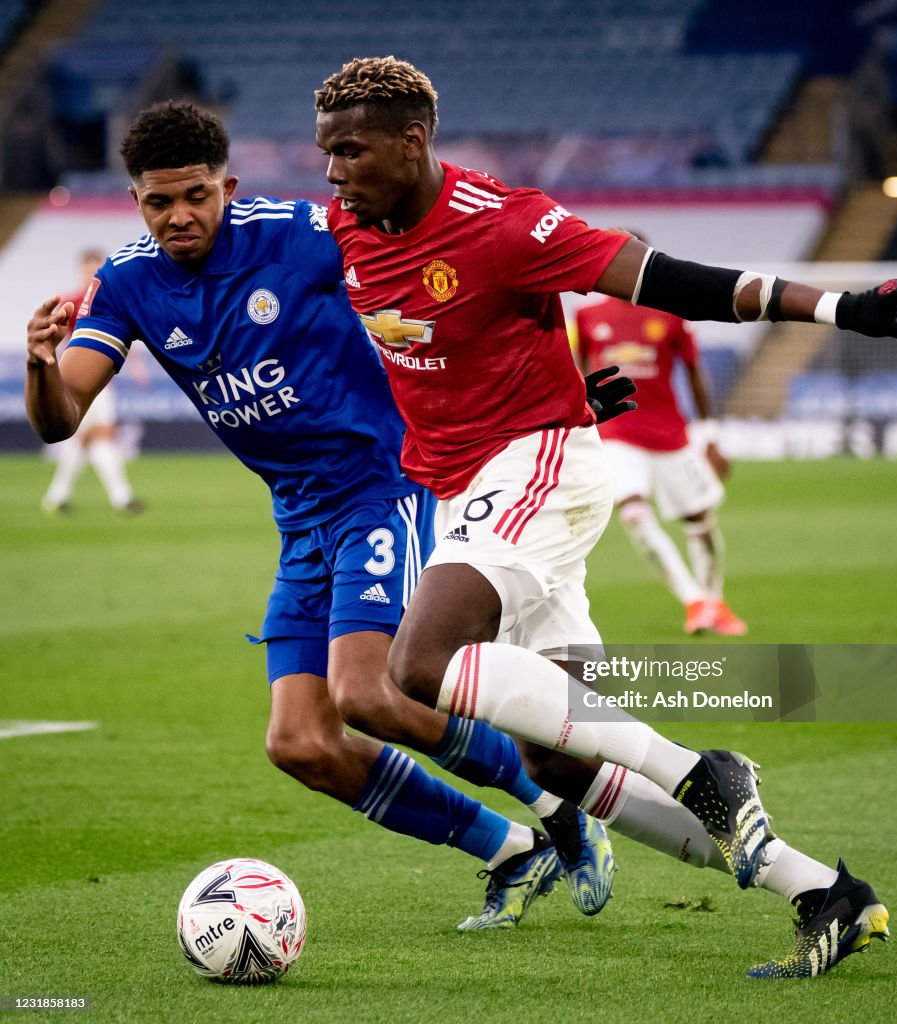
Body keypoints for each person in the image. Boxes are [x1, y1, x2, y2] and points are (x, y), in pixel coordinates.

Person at [315, 55, 897, 976]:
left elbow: (669, 278)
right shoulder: (345, 225)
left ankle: (708, 773)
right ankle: (825, 892)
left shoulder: (505, 223)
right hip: (467, 489)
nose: (334, 173)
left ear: (412, 141)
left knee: (419, 664)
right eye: (326, 155)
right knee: (560, 763)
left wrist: (837, 304)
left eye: (351, 151)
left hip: (537, 463)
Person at [24, 100, 619, 934]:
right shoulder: (125, 284)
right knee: (301, 742)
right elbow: (61, 416)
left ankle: (560, 805)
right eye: (160, 202)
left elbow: (442, 283)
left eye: (196, 195)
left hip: (386, 484)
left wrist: (539, 393)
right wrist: (41, 365)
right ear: (136, 203)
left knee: (366, 693)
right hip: (301, 519)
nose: (180, 216)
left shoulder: (305, 233)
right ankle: (511, 850)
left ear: (225, 187)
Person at [576, 285, 746, 636]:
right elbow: (579, 379)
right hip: (617, 433)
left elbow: (695, 372)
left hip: (670, 435)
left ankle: (715, 602)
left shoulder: (671, 314)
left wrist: (710, 437)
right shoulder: (587, 316)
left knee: (700, 520)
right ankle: (694, 600)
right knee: (634, 515)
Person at [39, 249, 147, 516]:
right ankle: (118, 497)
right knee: (99, 436)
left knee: (91, 440)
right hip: (79, 381)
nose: (92, 276)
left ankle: (59, 496)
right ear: (82, 271)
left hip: (103, 382)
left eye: (95, 270)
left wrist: (135, 366)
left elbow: (122, 336)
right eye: (88, 271)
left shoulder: (107, 299)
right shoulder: (73, 302)